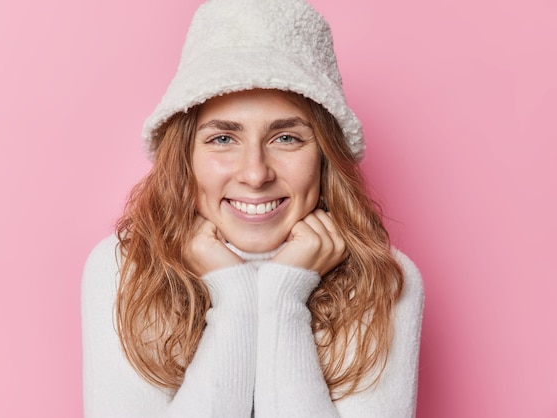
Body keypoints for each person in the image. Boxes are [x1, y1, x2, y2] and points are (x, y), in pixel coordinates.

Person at [82, 0, 424, 417]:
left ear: (325, 156)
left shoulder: (385, 281)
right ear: (184, 157)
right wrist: (236, 298)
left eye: (287, 138)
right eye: (223, 139)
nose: (256, 173)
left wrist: (284, 294)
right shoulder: (124, 268)